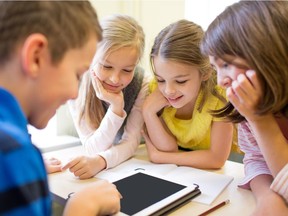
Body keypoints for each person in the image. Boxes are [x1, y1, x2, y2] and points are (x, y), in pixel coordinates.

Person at [0, 1, 121, 216]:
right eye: (77, 74)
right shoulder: (12, 153)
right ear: (36, 57)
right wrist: (82, 208)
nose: (75, 93)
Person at [200, 1, 288, 215]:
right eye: (215, 67)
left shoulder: (254, 111)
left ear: (266, 55)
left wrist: (261, 120)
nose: (221, 81)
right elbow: (257, 159)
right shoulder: (246, 105)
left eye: (227, 65)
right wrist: (268, 196)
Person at [62, 14, 149, 179]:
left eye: (127, 70)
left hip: (136, 163)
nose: (115, 79)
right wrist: (116, 109)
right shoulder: (76, 81)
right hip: (115, 165)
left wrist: (101, 161)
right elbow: (93, 149)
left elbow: (131, 143)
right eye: (106, 66)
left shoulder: (143, 83)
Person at [141, 19, 235, 169]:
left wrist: (160, 157)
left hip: (229, 167)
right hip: (183, 169)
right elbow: (169, 148)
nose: (168, 90)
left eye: (180, 81)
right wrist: (148, 112)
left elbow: (217, 159)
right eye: (161, 79)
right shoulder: (156, 91)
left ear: (205, 72)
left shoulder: (220, 94)